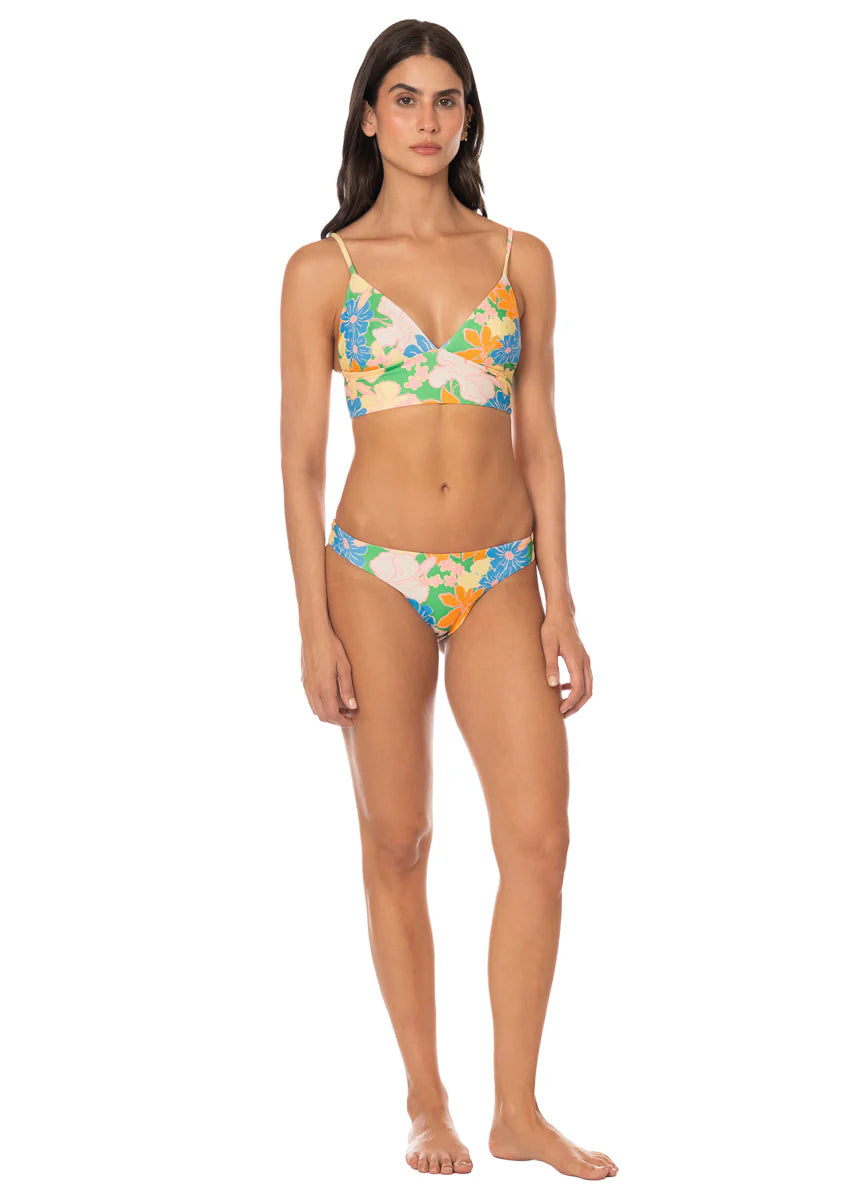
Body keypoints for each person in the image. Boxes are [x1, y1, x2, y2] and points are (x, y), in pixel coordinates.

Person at [279, 18, 617, 1181]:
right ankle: (426, 1099)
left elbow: (541, 438)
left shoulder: (521, 258)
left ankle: (516, 1109)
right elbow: (300, 463)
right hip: (371, 570)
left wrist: (561, 601)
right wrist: (311, 625)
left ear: (467, 119)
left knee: (539, 837)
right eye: (404, 98)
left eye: (446, 99)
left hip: (500, 571)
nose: (426, 120)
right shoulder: (320, 270)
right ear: (367, 116)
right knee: (397, 837)